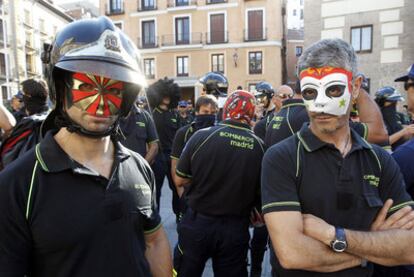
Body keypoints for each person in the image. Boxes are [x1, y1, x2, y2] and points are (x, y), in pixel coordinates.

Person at [0, 17, 171, 277]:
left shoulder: (139, 167)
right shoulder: (17, 183)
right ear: (61, 87)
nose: (101, 104)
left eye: (112, 90)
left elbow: (154, 240)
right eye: (86, 87)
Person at [262, 38, 414, 277]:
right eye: (311, 92)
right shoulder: (282, 158)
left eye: (334, 89)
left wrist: (333, 235)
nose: (320, 105)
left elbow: (409, 248)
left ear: (355, 87)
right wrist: (374, 246)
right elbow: (292, 254)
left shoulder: (380, 161)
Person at [174, 90, 265, 276]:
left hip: (198, 222)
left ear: (226, 110)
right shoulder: (260, 146)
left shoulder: (201, 136)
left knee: (185, 271)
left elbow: (180, 178)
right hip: (235, 228)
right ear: (251, 113)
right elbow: (261, 191)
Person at [147, 77, 181, 216]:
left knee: (177, 188)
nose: (166, 97)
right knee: (156, 190)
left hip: (173, 157)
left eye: (169, 95)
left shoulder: (175, 114)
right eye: (164, 94)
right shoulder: (151, 113)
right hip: (158, 157)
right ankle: (155, 218)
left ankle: (180, 215)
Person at [0, 79, 49, 169]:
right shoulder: (53, 119)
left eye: (23, 93)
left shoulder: (29, 124)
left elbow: (9, 158)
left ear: (28, 96)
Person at [375, 86, 414, 150]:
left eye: (396, 102)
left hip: (402, 151)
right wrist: (404, 131)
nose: (395, 104)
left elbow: (400, 130)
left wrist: (408, 129)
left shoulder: (397, 116)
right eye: (392, 102)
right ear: (382, 101)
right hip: (387, 155)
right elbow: (381, 143)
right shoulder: (376, 118)